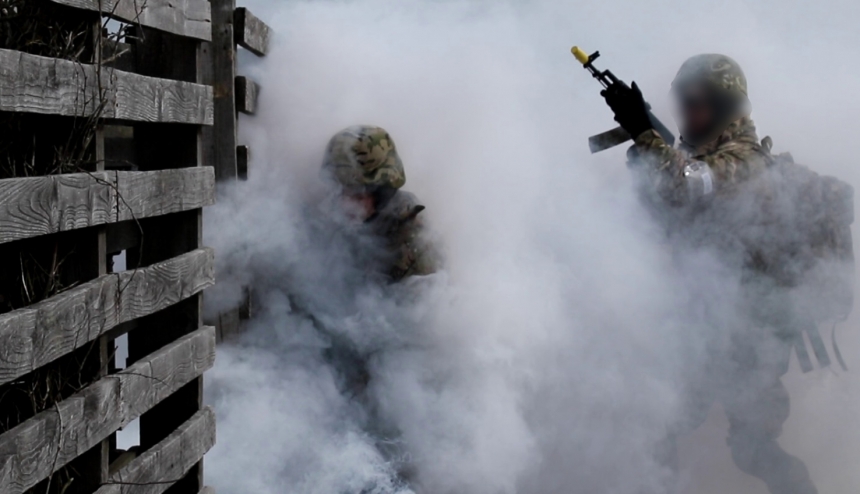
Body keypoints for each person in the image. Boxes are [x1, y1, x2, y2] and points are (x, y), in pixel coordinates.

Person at [601, 55, 820, 494]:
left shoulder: (746, 160)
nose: (687, 113)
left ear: (725, 106)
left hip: (749, 332)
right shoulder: (695, 158)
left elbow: (688, 185)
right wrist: (645, 168)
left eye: (698, 103)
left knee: (751, 446)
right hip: (707, 323)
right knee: (656, 423)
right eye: (683, 102)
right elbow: (668, 218)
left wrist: (645, 135)